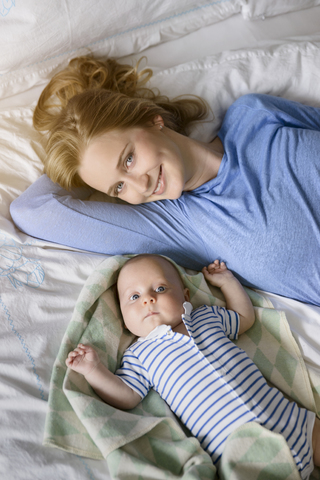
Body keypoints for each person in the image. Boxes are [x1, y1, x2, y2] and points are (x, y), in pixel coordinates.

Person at [9, 56, 320, 305]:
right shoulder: (179, 225)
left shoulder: (253, 113)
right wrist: (81, 164)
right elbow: (32, 210)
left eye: (128, 159)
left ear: (152, 118)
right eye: (119, 187)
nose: (139, 185)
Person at [66, 254, 319, 479]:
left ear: (185, 295)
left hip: (291, 419)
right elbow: (127, 396)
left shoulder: (206, 316)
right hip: (239, 451)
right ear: (123, 318)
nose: (149, 299)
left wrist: (227, 282)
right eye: (134, 296)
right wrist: (94, 370)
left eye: (160, 288)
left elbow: (244, 318)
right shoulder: (139, 355)